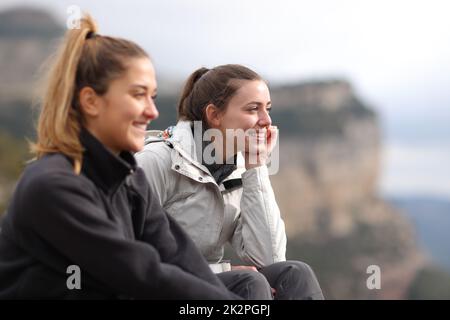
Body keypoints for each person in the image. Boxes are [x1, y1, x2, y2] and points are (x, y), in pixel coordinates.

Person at [0, 15, 241, 300]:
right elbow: (142, 275)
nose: (152, 112)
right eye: (138, 95)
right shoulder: (53, 186)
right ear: (90, 101)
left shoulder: (130, 179)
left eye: (152, 96)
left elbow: (181, 259)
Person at [136, 64, 324, 300]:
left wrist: (256, 167)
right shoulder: (155, 162)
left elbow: (270, 259)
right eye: (253, 109)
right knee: (249, 283)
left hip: (203, 287)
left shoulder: (239, 170)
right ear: (214, 115)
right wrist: (219, 271)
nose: (266, 120)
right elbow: (127, 256)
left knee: (295, 274)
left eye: (267, 109)